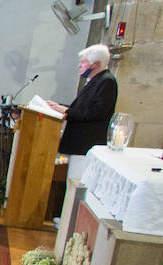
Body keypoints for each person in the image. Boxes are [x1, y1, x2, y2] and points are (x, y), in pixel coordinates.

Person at [47, 43, 117, 180]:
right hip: (78, 145)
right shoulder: (96, 80)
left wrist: (67, 111)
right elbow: (83, 107)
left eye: (83, 62)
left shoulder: (106, 82)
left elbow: (96, 112)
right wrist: (59, 107)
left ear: (95, 64)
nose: (79, 65)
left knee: (75, 182)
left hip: (85, 145)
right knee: (71, 182)